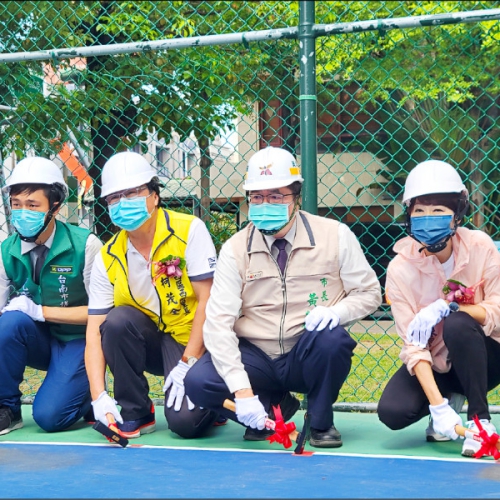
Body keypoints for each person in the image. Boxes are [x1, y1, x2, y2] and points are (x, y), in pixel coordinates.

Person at [185, 146, 382, 448]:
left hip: (306, 351)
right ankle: (269, 407)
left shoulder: (335, 235)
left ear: (296, 196)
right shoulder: (235, 249)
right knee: (198, 382)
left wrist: (337, 313)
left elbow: (369, 294)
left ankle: (320, 420)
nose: (266, 203)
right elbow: (218, 324)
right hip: (255, 356)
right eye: (258, 197)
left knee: (333, 340)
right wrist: (242, 393)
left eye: (277, 196)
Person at [85, 151, 220, 439]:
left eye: (133, 192)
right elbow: (95, 331)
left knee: (186, 423)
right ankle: (135, 411)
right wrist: (98, 396)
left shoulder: (188, 230)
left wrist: (188, 364)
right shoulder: (107, 255)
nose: (124, 203)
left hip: (193, 342)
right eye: (114, 197)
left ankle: (212, 395)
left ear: (154, 195)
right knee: (117, 320)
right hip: (149, 342)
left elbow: (208, 302)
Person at [378, 160, 500, 457]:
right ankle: (449, 399)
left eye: (438, 211)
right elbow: (413, 346)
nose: (427, 218)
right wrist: (438, 406)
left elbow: (497, 310)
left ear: (456, 215)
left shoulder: (480, 246)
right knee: (393, 412)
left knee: (458, 322)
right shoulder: (399, 269)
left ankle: (480, 420)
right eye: (419, 211)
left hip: (486, 355)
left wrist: (449, 307)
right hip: (437, 362)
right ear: (408, 214)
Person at [0, 156, 102, 434]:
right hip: (37, 340)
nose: (22, 212)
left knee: (50, 417)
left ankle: (86, 396)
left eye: (32, 205)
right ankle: (7, 407)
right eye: (17, 204)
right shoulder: (4, 251)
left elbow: (102, 314)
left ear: (54, 207)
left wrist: (40, 312)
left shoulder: (86, 245)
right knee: (7, 324)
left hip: (78, 340)